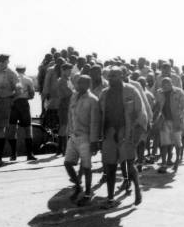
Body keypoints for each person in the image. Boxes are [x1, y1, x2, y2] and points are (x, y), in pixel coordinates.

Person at [99, 67, 145, 209]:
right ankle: (111, 198)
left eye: (115, 75)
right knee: (110, 166)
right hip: (109, 133)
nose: (112, 78)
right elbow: (99, 115)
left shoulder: (131, 90)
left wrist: (138, 131)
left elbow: (141, 113)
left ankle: (137, 187)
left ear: (122, 76)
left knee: (129, 165)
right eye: (110, 76)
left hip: (127, 132)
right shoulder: (104, 94)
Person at [64, 75, 100, 205]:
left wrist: (94, 142)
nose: (78, 86)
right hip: (73, 136)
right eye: (77, 83)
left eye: (81, 83)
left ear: (88, 85)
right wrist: (69, 130)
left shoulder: (93, 100)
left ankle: (88, 192)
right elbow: (70, 114)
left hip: (86, 137)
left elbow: (95, 122)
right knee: (68, 163)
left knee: (86, 167)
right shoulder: (74, 96)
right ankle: (78, 185)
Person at [153, 77, 184, 173]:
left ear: (171, 84)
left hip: (176, 121)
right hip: (164, 121)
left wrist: (181, 116)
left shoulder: (179, 92)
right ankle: (164, 164)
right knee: (164, 143)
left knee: (177, 143)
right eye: (163, 85)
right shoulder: (159, 93)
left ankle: (177, 161)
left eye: (167, 84)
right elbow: (157, 106)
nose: (165, 86)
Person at [7, 65, 37, 161]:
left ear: (16, 70)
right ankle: (29, 154)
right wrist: (25, 96)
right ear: (24, 70)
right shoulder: (28, 80)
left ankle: (13, 154)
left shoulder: (11, 79)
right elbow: (32, 95)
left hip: (12, 105)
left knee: (12, 128)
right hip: (23, 104)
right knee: (28, 129)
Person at [57, 63, 75, 155]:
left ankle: (62, 149)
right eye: (68, 70)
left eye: (70, 70)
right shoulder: (62, 81)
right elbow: (68, 93)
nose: (70, 72)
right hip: (63, 106)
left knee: (66, 128)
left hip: (68, 106)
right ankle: (62, 149)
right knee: (63, 127)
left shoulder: (68, 80)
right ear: (63, 70)